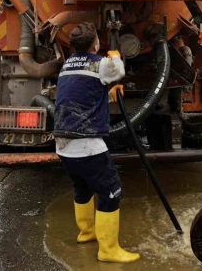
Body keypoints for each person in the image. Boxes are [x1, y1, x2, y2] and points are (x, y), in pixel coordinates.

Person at [53, 22, 139, 263]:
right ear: (96, 44)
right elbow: (118, 71)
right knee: (111, 191)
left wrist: (108, 95)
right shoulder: (99, 63)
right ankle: (109, 250)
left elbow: (81, 94)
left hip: (63, 143)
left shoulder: (67, 65)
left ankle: (86, 232)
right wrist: (115, 56)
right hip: (87, 143)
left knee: (82, 187)